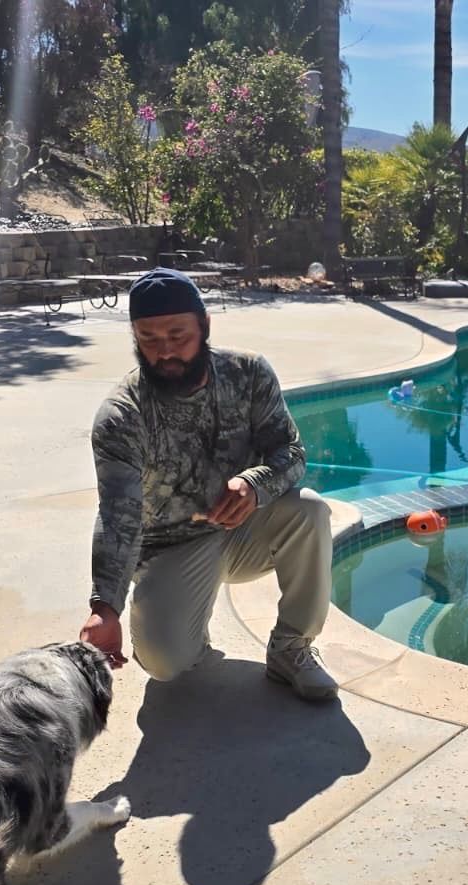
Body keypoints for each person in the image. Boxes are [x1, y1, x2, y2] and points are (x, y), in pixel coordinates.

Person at [78, 268, 338, 701]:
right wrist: (105, 607)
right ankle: (186, 628)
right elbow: (117, 516)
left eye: (178, 336)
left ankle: (291, 648)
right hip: (170, 550)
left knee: (310, 511)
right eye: (149, 339)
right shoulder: (122, 417)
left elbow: (290, 453)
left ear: (205, 326)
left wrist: (256, 485)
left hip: (243, 531)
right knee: (164, 664)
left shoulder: (249, 373)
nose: (165, 352)